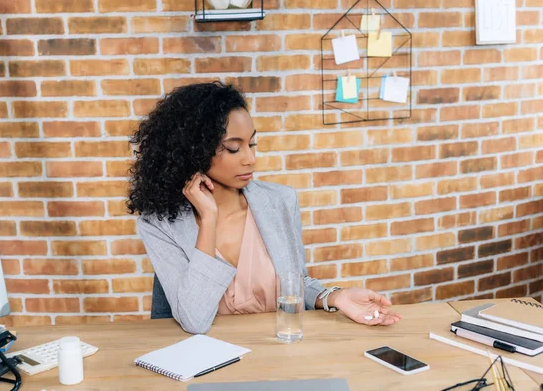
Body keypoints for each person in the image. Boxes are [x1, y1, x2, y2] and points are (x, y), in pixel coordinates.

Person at [127, 81, 401, 334]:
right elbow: (194, 320)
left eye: (252, 144)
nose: (251, 159)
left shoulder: (280, 201)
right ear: (193, 151)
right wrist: (208, 219)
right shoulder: (160, 224)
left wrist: (334, 297)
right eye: (234, 148)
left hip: (279, 348)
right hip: (207, 359)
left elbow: (294, 285)